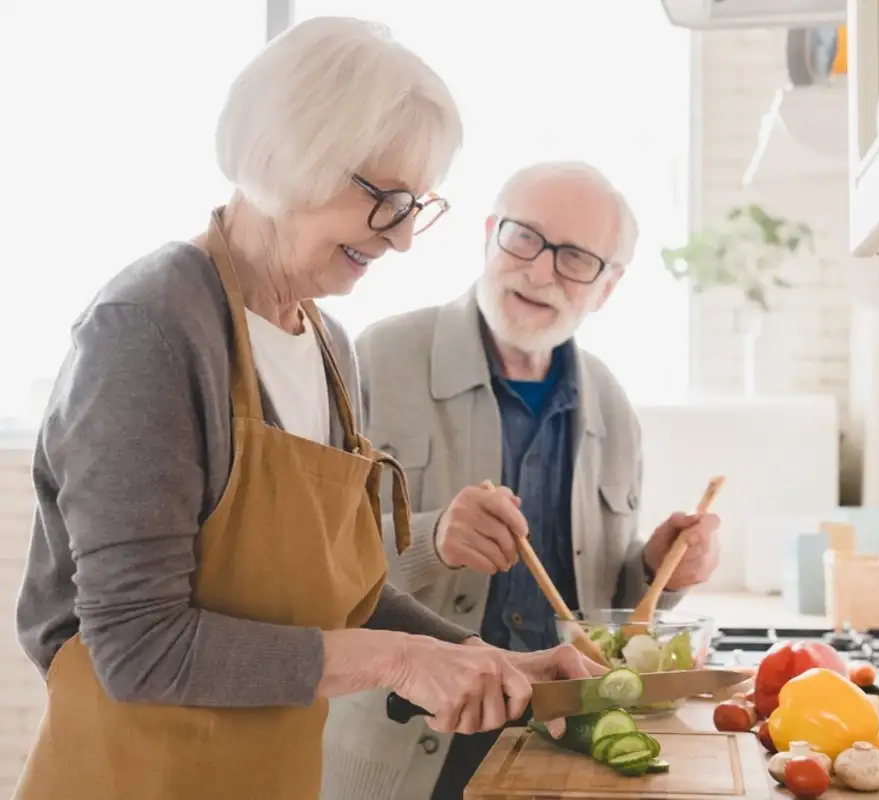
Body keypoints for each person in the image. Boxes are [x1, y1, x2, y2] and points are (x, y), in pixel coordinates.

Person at [13, 18, 601, 800]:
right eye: (386, 201)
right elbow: (136, 646)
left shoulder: (329, 347)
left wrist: (493, 660)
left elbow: (348, 596)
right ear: (291, 153)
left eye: (416, 206)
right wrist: (398, 661)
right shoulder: (148, 331)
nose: (401, 242)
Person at [331, 161, 722, 799]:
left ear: (608, 285)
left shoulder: (613, 406)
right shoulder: (374, 359)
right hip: (399, 755)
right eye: (524, 238)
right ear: (489, 234)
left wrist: (658, 571)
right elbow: (309, 571)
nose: (540, 271)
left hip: (562, 741)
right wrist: (432, 540)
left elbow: (600, 605)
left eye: (575, 258)